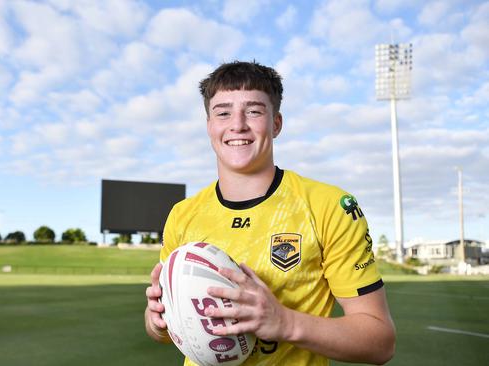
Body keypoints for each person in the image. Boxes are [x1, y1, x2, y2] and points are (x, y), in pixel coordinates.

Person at [144, 61, 395, 365]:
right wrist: (157, 319)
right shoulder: (182, 215)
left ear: (276, 123)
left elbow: (379, 342)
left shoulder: (328, 206)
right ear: (209, 125)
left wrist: (285, 323)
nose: (237, 124)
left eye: (253, 111)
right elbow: (167, 333)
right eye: (223, 112)